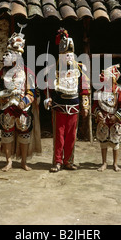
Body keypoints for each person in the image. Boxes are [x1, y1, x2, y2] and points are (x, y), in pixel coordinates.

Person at [0, 28, 41, 171]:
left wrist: (25, 101)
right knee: (7, 132)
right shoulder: (1, 73)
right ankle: (8, 161)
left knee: (24, 132)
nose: (8, 57)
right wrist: (2, 96)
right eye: (8, 54)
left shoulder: (27, 72)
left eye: (12, 54)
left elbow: (33, 91)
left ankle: (24, 161)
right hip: (7, 105)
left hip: (22, 107)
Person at [44, 28, 90, 172]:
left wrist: (86, 106)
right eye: (65, 55)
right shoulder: (53, 69)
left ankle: (68, 161)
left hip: (74, 106)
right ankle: (57, 161)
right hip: (59, 106)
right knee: (59, 136)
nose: (68, 57)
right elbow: (48, 87)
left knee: (71, 136)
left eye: (70, 54)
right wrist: (48, 99)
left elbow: (85, 88)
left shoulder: (80, 69)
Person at [92, 64, 121, 172]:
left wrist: (117, 117)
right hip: (103, 121)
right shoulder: (98, 92)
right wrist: (98, 113)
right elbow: (94, 106)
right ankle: (104, 163)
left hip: (115, 121)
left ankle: (115, 164)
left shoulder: (119, 92)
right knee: (103, 142)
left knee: (115, 143)